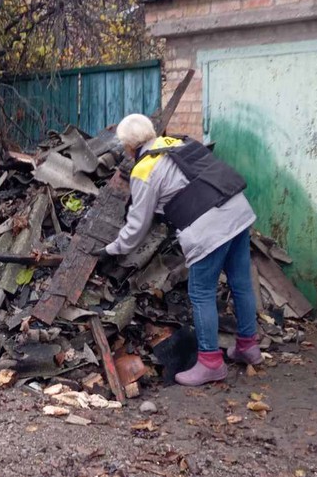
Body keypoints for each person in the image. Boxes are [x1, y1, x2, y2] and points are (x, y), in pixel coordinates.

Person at [93, 113, 262, 385]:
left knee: (201, 291)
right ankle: (248, 346)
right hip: (236, 209)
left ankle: (211, 363)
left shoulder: (144, 169)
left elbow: (137, 226)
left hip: (210, 226)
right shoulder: (178, 141)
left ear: (128, 147)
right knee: (241, 282)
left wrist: (112, 249)